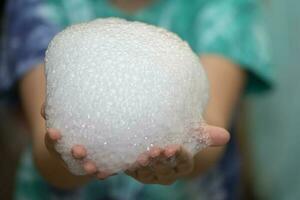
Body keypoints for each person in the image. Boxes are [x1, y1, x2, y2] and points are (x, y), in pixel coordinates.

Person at [0, 0, 272, 199]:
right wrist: (66, 159)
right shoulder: (38, 6)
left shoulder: (224, 6)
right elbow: (45, 147)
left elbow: (210, 127)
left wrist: (188, 152)